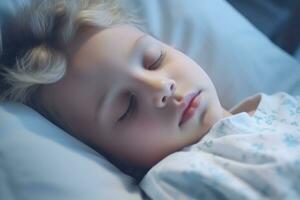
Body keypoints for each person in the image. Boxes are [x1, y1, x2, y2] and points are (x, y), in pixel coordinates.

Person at [1, 1, 299, 190]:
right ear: (115, 157)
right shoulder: (177, 179)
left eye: (154, 60)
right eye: (127, 107)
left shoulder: (278, 104)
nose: (161, 88)